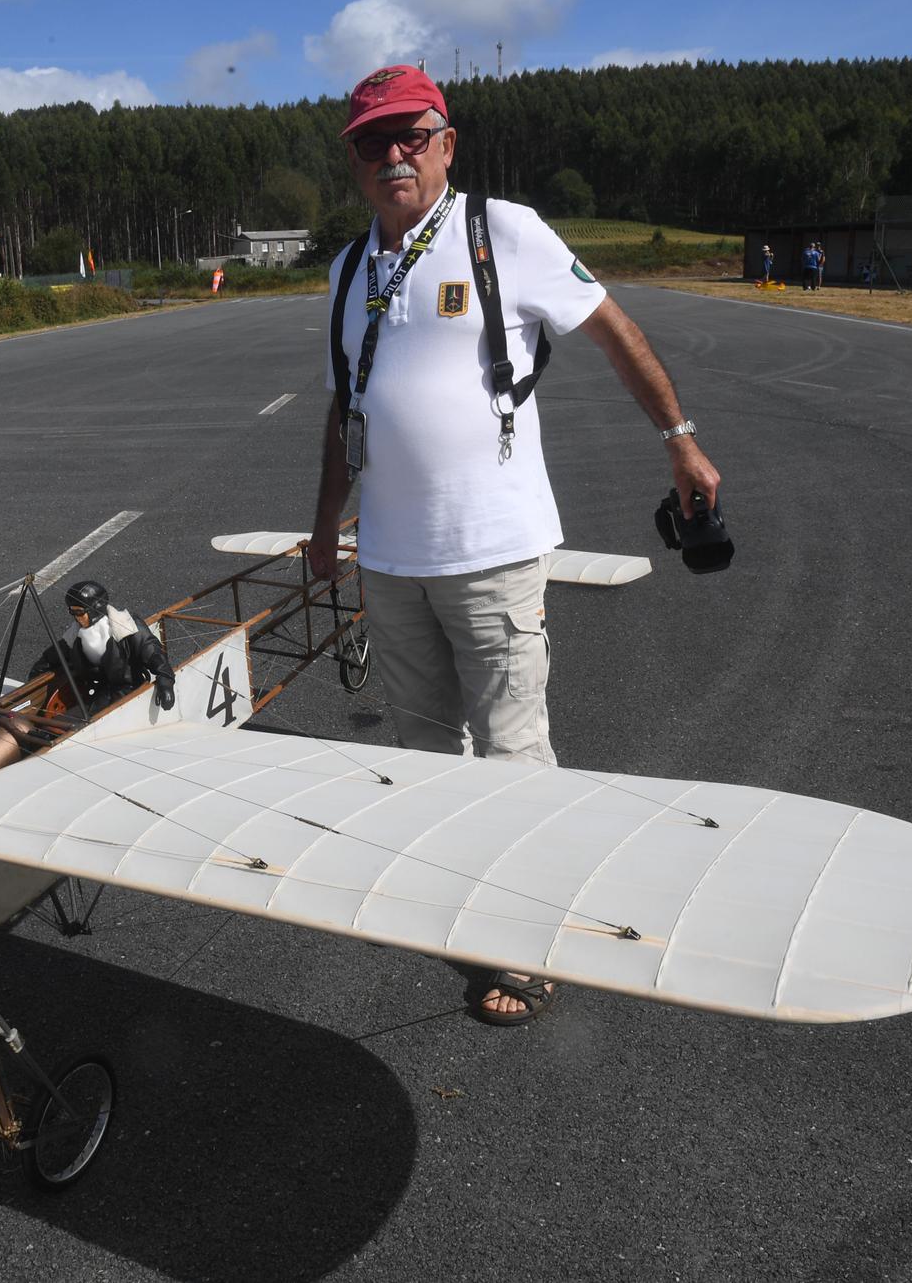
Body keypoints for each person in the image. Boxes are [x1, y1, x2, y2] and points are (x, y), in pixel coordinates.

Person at [307, 63, 722, 1025]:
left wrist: (680, 439)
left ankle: (530, 937)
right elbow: (345, 406)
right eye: (373, 141)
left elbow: (613, 329)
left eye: (410, 133)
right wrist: (328, 524)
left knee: (510, 748)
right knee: (422, 750)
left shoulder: (505, 232)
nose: (393, 154)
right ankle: (463, 895)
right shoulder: (347, 269)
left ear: (447, 141)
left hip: (492, 553)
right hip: (393, 560)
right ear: (357, 164)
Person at [29, 579, 176, 713]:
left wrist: (166, 680)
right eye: (72, 612)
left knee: (76, 722)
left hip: (129, 689)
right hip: (98, 690)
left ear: (95, 608)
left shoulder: (126, 627)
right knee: (65, 718)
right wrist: (32, 685)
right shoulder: (75, 635)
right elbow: (52, 656)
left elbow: (153, 652)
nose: (76, 617)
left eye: (79, 612)